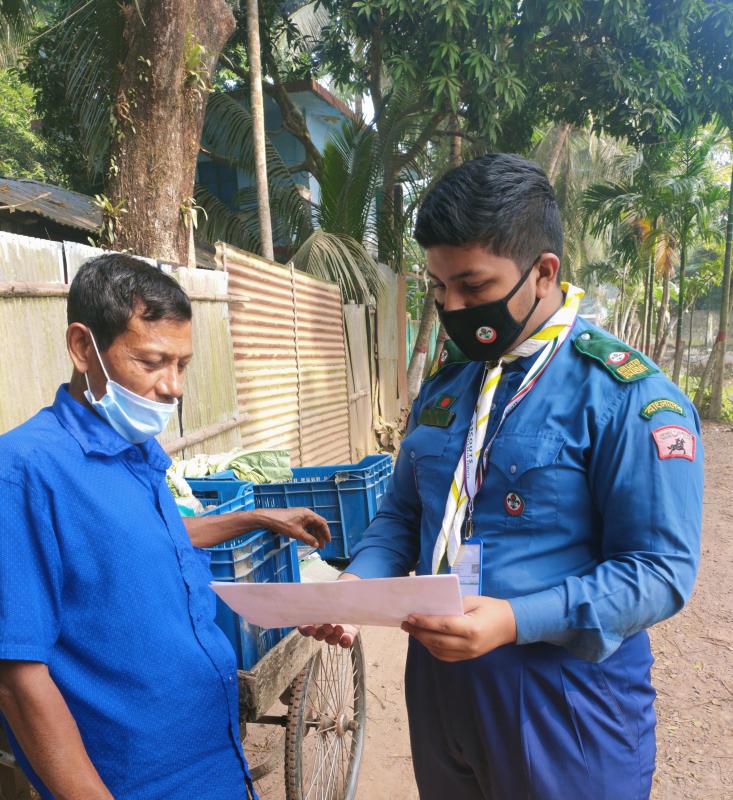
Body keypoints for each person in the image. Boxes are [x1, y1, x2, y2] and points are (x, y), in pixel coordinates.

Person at [300, 154, 703, 799]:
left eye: (474, 287)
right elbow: (404, 515)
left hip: (564, 698)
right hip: (443, 688)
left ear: (544, 273)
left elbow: (659, 572)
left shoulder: (625, 396)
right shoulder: (449, 385)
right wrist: (356, 588)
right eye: (438, 289)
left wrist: (514, 619)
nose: (453, 307)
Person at [0, 254, 330, 800]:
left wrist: (256, 516)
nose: (173, 387)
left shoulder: (137, 449)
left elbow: (146, 538)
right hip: (133, 779)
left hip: (214, 757)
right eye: (152, 362)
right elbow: (18, 676)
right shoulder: (25, 471)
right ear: (83, 347)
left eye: (183, 365)